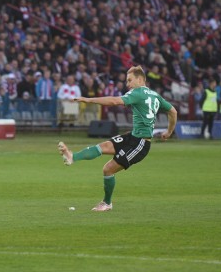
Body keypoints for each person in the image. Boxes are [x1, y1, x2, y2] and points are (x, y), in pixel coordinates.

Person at [58, 66, 177, 212]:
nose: (127, 84)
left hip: (140, 144)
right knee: (104, 146)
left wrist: (88, 100)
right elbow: (173, 111)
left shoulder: (137, 92)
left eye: (129, 80)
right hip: (133, 136)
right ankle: (72, 157)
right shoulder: (155, 95)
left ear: (140, 79)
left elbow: (114, 101)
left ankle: (107, 203)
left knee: (108, 169)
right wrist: (169, 131)